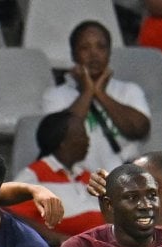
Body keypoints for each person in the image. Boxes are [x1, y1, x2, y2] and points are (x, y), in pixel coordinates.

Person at [42, 20, 151, 174]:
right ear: (73, 54)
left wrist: (100, 94)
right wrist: (87, 92)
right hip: (75, 179)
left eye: (101, 47)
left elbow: (140, 130)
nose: (94, 54)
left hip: (123, 179)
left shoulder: (130, 90)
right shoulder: (55, 95)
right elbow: (58, 137)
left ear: (109, 52)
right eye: (85, 48)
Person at [5, 111, 105, 247]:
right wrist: (57, 238)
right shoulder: (35, 174)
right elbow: (11, 216)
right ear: (63, 142)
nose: (87, 141)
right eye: (82, 135)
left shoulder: (85, 175)